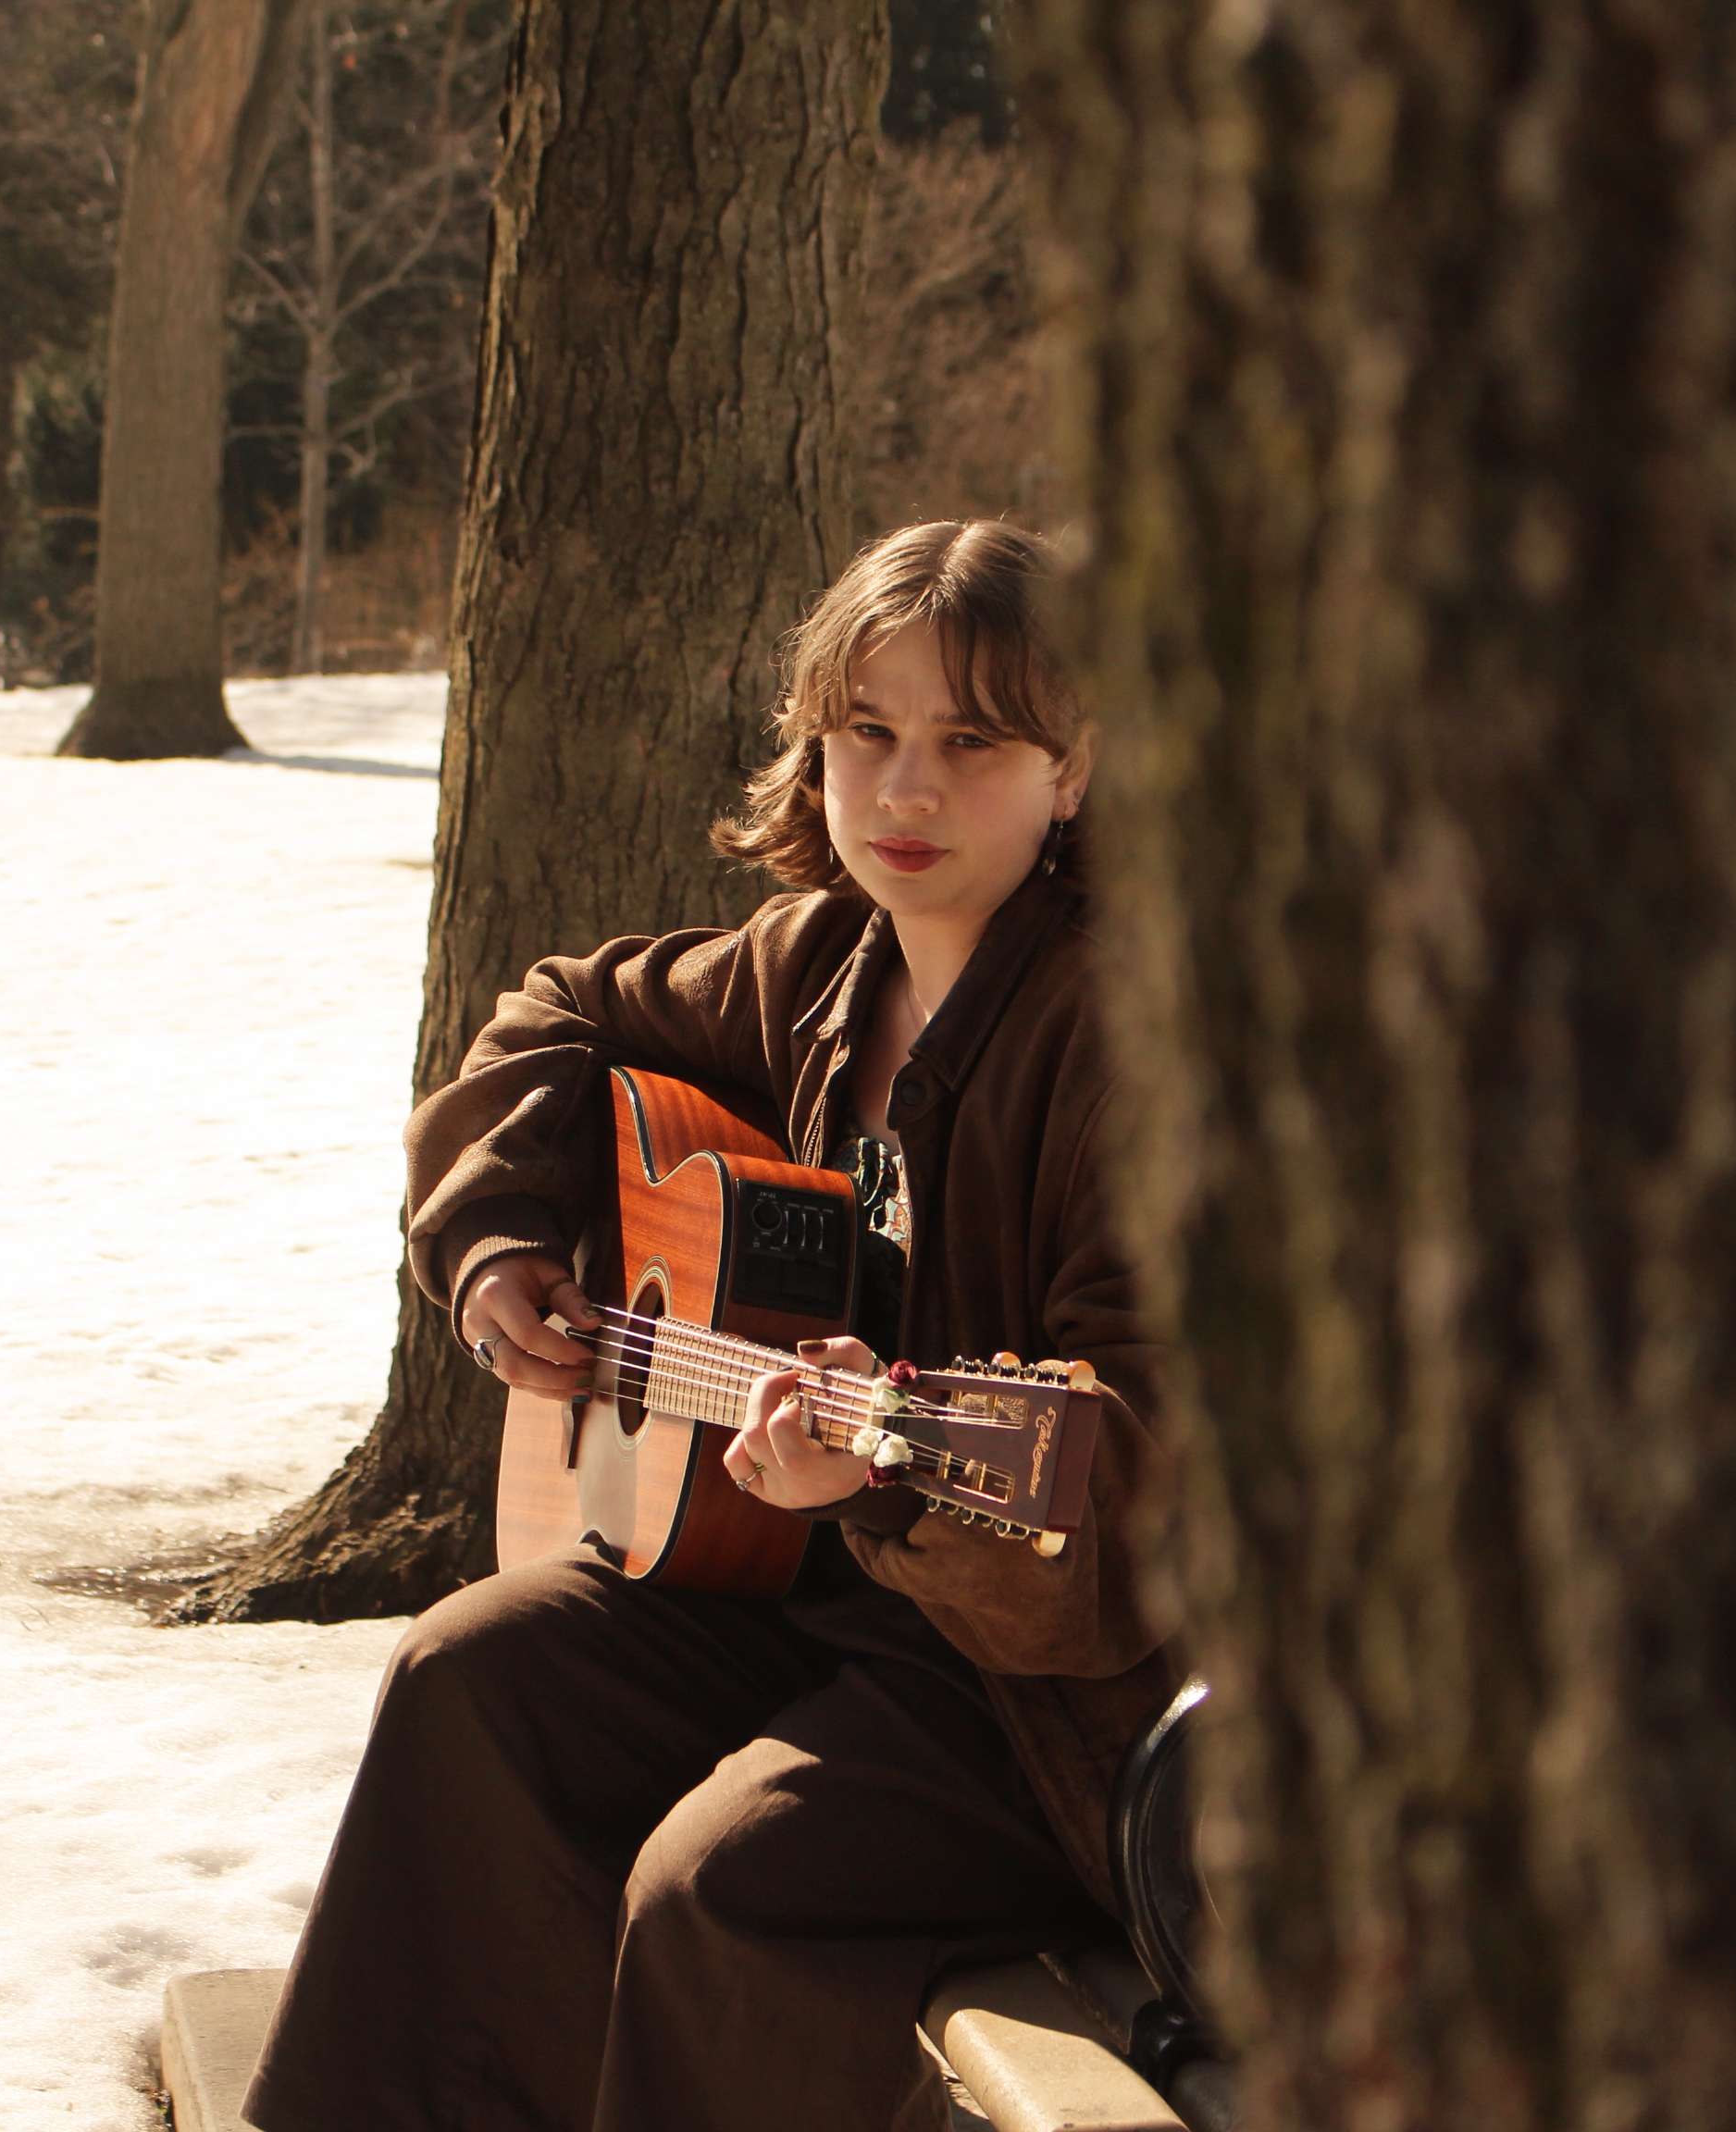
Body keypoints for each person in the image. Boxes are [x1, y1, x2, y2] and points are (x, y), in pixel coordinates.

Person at [241, 520, 1182, 2132]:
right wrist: (495, 1245)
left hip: (1041, 1705)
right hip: (797, 1600)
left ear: (1075, 769)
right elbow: (560, 1011)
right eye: (865, 734)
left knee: (722, 1882)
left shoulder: (1134, 1044)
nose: (905, 792)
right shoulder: (814, 965)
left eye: (972, 743)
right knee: (469, 1682)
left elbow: (1137, 1461)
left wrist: (883, 1471)